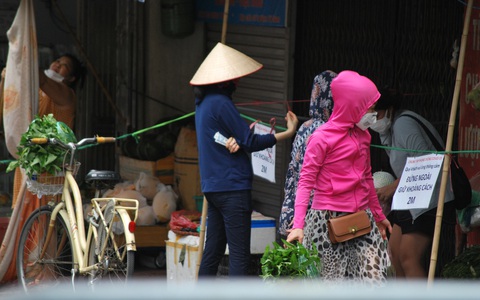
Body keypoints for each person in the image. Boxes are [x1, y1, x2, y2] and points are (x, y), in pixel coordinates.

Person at [191, 42, 299, 277]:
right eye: (235, 78)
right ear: (224, 80)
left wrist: (240, 137)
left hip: (214, 187)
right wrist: (288, 133)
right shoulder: (221, 102)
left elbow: (227, 137)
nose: (238, 82)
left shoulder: (203, 104)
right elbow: (250, 141)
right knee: (239, 256)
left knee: (213, 251)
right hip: (232, 188)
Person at [286, 70, 392, 285]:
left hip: (362, 219)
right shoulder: (321, 138)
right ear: (353, 107)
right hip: (326, 221)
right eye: (369, 109)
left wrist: (379, 216)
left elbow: (367, 179)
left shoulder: (364, 136)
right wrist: (298, 224)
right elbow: (305, 181)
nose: (373, 114)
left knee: (373, 282)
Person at [370, 88, 456, 279]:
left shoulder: (403, 124)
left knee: (408, 256)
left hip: (428, 197)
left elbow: (425, 162)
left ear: (389, 109)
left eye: (376, 114)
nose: (373, 120)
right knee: (394, 254)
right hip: (409, 198)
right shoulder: (389, 130)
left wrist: (393, 187)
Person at [278, 70, 337, 237]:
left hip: (293, 206)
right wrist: (302, 218)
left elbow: (293, 173)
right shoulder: (327, 131)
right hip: (313, 214)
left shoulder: (305, 127)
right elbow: (311, 176)